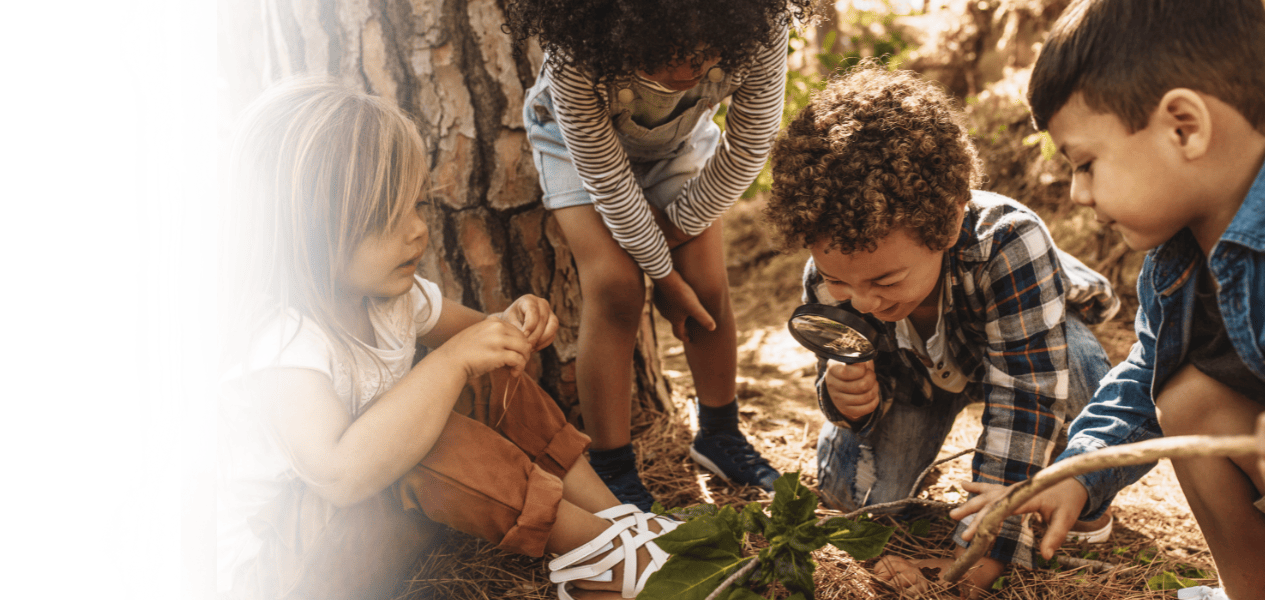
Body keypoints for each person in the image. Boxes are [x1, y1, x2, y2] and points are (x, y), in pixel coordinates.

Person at [216, 78, 683, 600]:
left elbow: (487, 339)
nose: (417, 231)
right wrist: (447, 365)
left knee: (484, 382)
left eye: (416, 206)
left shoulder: (394, 298)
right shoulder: (284, 344)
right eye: (384, 220)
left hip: (378, 528)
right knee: (425, 432)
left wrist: (514, 322)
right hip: (293, 569)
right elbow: (337, 475)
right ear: (304, 232)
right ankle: (604, 560)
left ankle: (619, 524)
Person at [949, 1, 1265, 599]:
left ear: (1185, 126)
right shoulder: (1174, 269)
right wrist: (1075, 476)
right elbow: (1139, 383)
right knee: (1185, 400)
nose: (1078, 194)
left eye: (1086, 164)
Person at [760, 67, 1123, 596]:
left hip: (1021, 345)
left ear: (949, 223)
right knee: (850, 494)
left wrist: (986, 546)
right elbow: (836, 372)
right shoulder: (830, 275)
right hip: (916, 380)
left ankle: (1083, 496)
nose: (863, 301)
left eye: (885, 279)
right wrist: (848, 401)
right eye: (841, 281)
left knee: (1082, 371)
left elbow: (1026, 393)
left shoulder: (1009, 241)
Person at [497, 0, 807, 508]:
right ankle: (613, 468)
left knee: (707, 288)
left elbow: (750, 145)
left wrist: (676, 235)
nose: (684, 76)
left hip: (678, 144)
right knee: (616, 287)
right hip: (575, 147)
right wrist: (663, 277)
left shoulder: (760, 22)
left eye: (700, 59)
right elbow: (609, 181)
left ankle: (720, 436)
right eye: (660, 59)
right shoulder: (576, 51)